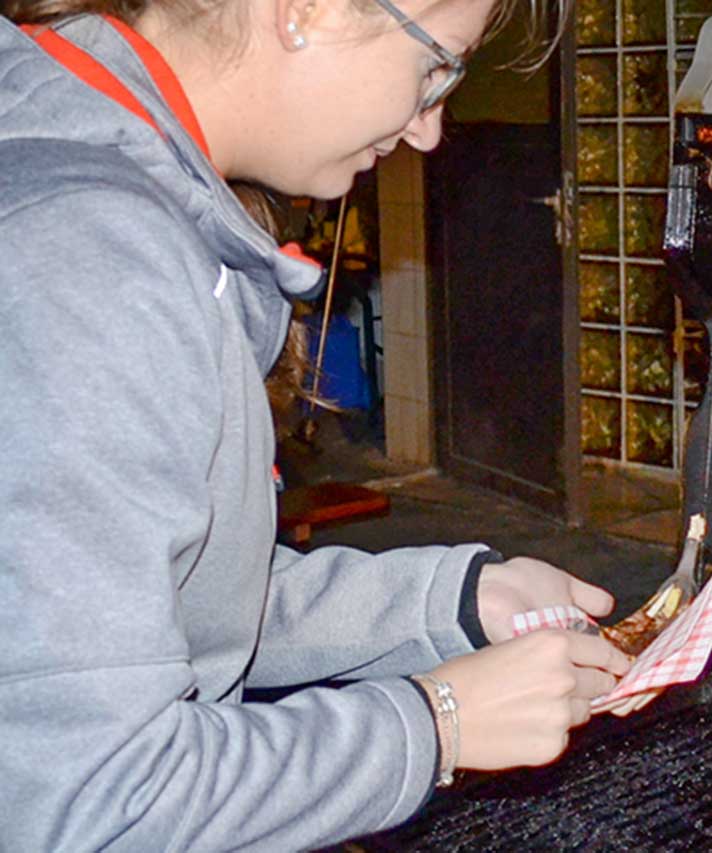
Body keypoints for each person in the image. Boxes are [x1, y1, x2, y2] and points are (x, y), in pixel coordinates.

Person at [0, 0, 636, 848]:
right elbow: (97, 800)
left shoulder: (94, 182)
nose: (428, 130)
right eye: (437, 65)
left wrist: (450, 597)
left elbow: (174, 602)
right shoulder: (87, 259)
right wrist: (438, 721)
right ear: (309, 11)